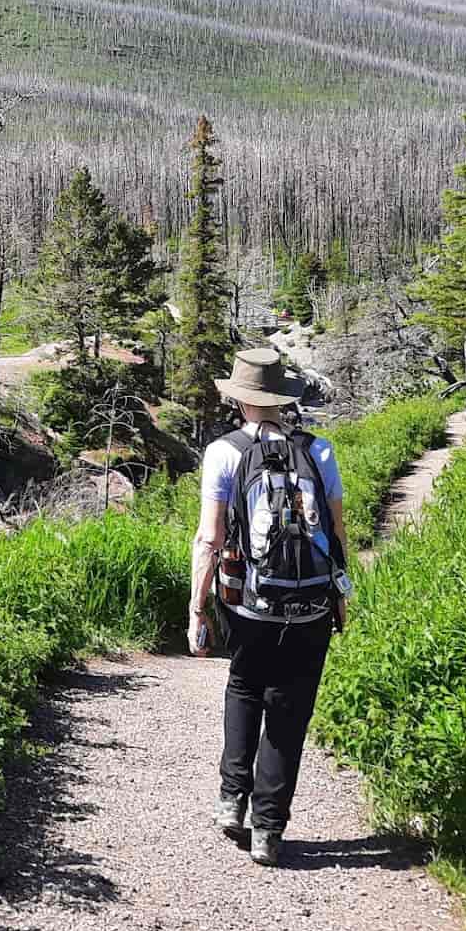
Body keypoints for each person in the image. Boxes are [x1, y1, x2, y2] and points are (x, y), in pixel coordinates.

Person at [188, 348, 350, 868]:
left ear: (238, 398)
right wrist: (341, 597)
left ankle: (232, 802)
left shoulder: (225, 452)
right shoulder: (319, 451)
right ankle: (269, 830)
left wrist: (198, 608)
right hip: (310, 602)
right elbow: (339, 532)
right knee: (290, 707)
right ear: (283, 400)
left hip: (249, 602)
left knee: (244, 684)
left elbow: (209, 538)